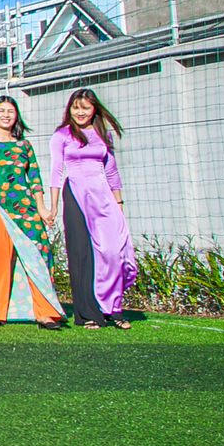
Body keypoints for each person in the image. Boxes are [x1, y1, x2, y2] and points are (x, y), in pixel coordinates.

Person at [0, 96, 65, 328]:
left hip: (26, 206)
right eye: (1, 110)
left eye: (11, 111)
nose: (6, 115)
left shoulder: (24, 146)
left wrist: (42, 207)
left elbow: (34, 177)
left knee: (37, 253)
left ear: (16, 116)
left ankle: (44, 311)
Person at [50, 89, 136, 329]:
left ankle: (112, 308)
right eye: (75, 107)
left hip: (103, 196)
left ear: (94, 109)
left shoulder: (103, 134)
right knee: (82, 254)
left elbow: (112, 171)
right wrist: (53, 206)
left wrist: (119, 205)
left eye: (85, 108)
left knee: (112, 250)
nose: (80, 112)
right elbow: (56, 170)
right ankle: (86, 312)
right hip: (76, 194)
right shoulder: (62, 135)